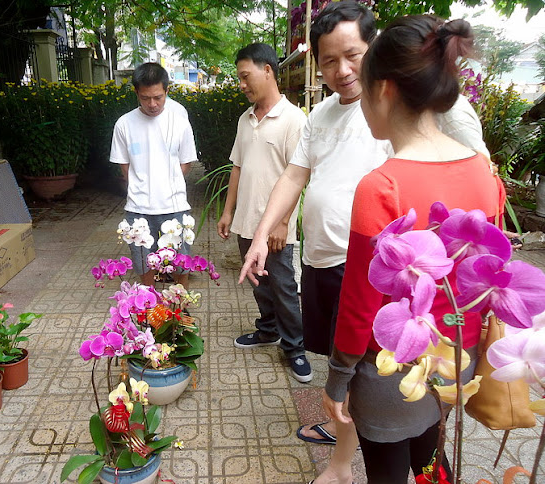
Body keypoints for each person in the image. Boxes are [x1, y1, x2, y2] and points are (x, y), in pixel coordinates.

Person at [237, 3, 491, 483]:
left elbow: (473, 176)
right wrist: (262, 233)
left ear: (378, 63)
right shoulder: (323, 115)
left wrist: (339, 375)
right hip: (333, 264)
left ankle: (360, 449)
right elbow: (295, 174)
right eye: (328, 61)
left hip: (399, 285)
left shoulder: (415, 118)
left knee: (378, 388)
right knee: (393, 400)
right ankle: (342, 460)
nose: (342, 70)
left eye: (352, 55)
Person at [319, 15, 504, 483]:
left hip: (390, 368)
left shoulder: (381, 187)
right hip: (456, 360)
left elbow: (360, 303)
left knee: (387, 473)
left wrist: (338, 378)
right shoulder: (483, 171)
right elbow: (490, 274)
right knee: (430, 457)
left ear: (382, 89)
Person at [216, 43, 311, 383]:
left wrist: (284, 222)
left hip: (274, 229)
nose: (241, 84)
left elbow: (299, 175)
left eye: (245, 76)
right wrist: (228, 212)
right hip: (246, 223)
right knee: (260, 284)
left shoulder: (294, 120)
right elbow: (237, 168)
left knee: (284, 286)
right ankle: (268, 329)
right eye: (239, 78)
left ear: (268, 70)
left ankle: (295, 347)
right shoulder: (246, 120)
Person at [110, 62, 198, 287]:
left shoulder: (179, 123)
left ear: (167, 91)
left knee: (180, 264)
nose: (152, 104)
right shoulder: (124, 124)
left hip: (175, 206)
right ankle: (147, 310)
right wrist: (142, 188)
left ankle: (180, 310)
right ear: (136, 93)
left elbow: (185, 163)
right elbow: (125, 166)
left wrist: (168, 185)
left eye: (158, 97)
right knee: (142, 264)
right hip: (138, 208)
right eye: (145, 98)